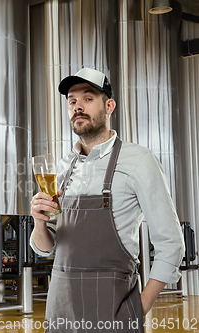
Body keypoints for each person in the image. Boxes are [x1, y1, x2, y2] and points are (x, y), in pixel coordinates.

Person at [30, 68, 185, 332]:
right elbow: (47, 248)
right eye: (72, 101)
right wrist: (39, 222)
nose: (78, 106)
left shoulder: (139, 160)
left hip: (114, 310)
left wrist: (139, 308)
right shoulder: (65, 165)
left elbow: (171, 244)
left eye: (88, 98)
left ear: (109, 105)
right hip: (61, 310)